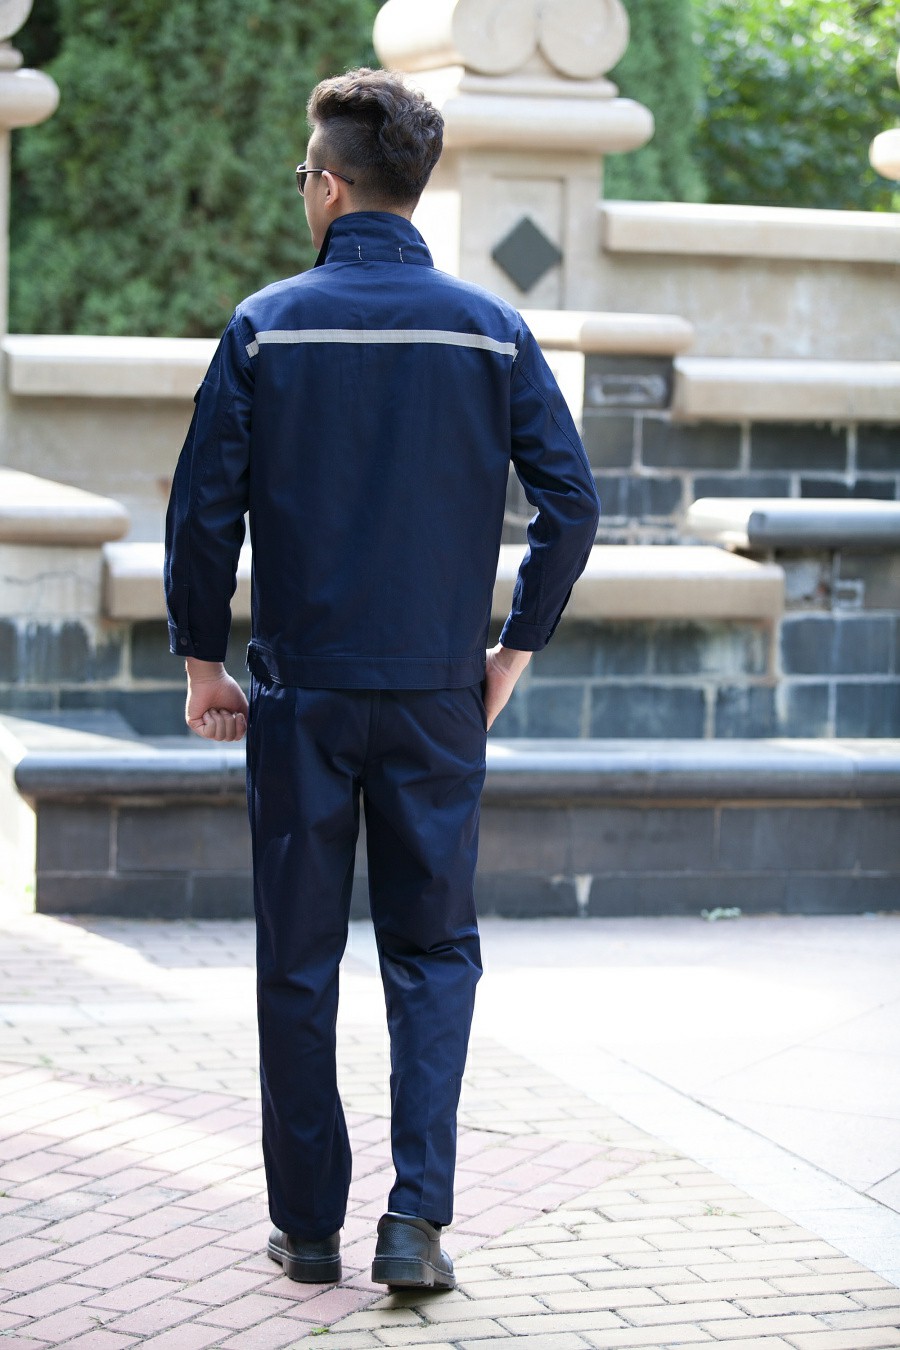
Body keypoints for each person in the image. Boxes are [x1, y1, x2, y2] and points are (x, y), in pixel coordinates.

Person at [165, 67, 600, 1290]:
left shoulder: (266, 325)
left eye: (304, 174)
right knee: (433, 951)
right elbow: (571, 505)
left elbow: (203, 514)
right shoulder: (489, 328)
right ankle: (416, 1222)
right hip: (435, 698)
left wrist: (202, 661)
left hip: (300, 698)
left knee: (299, 961)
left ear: (329, 185)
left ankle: (309, 1229)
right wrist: (512, 650)